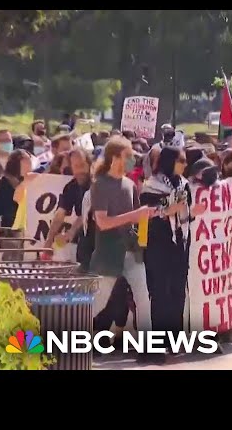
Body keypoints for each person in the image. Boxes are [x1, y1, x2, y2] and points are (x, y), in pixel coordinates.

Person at [140, 146, 206, 364]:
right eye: (181, 161)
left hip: (180, 245)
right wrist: (168, 209)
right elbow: (150, 212)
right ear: (170, 161)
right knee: (160, 295)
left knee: (178, 292)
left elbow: (184, 213)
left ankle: (174, 341)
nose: (185, 165)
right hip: (158, 245)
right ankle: (156, 346)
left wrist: (192, 212)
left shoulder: (183, 184)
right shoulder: (151, 186)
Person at [89, 137, 155, 345]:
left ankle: (148, 347)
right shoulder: (100, 185)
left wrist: (144, 218)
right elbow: (102, 222)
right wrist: (135, 216)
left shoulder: (129, 184)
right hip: (109, 254)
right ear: (115, 157)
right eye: (128, 156)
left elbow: (135, 217)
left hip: (131, 252)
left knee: (143, 299)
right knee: (96, 302)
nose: (132, 160)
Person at [45, 148, 95, 271]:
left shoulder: (97, 184)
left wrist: (71, 232)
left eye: (82, 165)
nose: (80, 170)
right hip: (85, 240)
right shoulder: (71, 187)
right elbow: (59, 215)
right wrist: (48, 242)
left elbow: (87, 211)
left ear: (89, 164)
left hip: (101, 238)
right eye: (76, 166)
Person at [0, 150, 36, 261]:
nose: (29, 164)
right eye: (26, 161)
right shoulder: (7, 182)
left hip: (28, 231)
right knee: (11, 264)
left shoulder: (33, 180)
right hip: (11, 230)